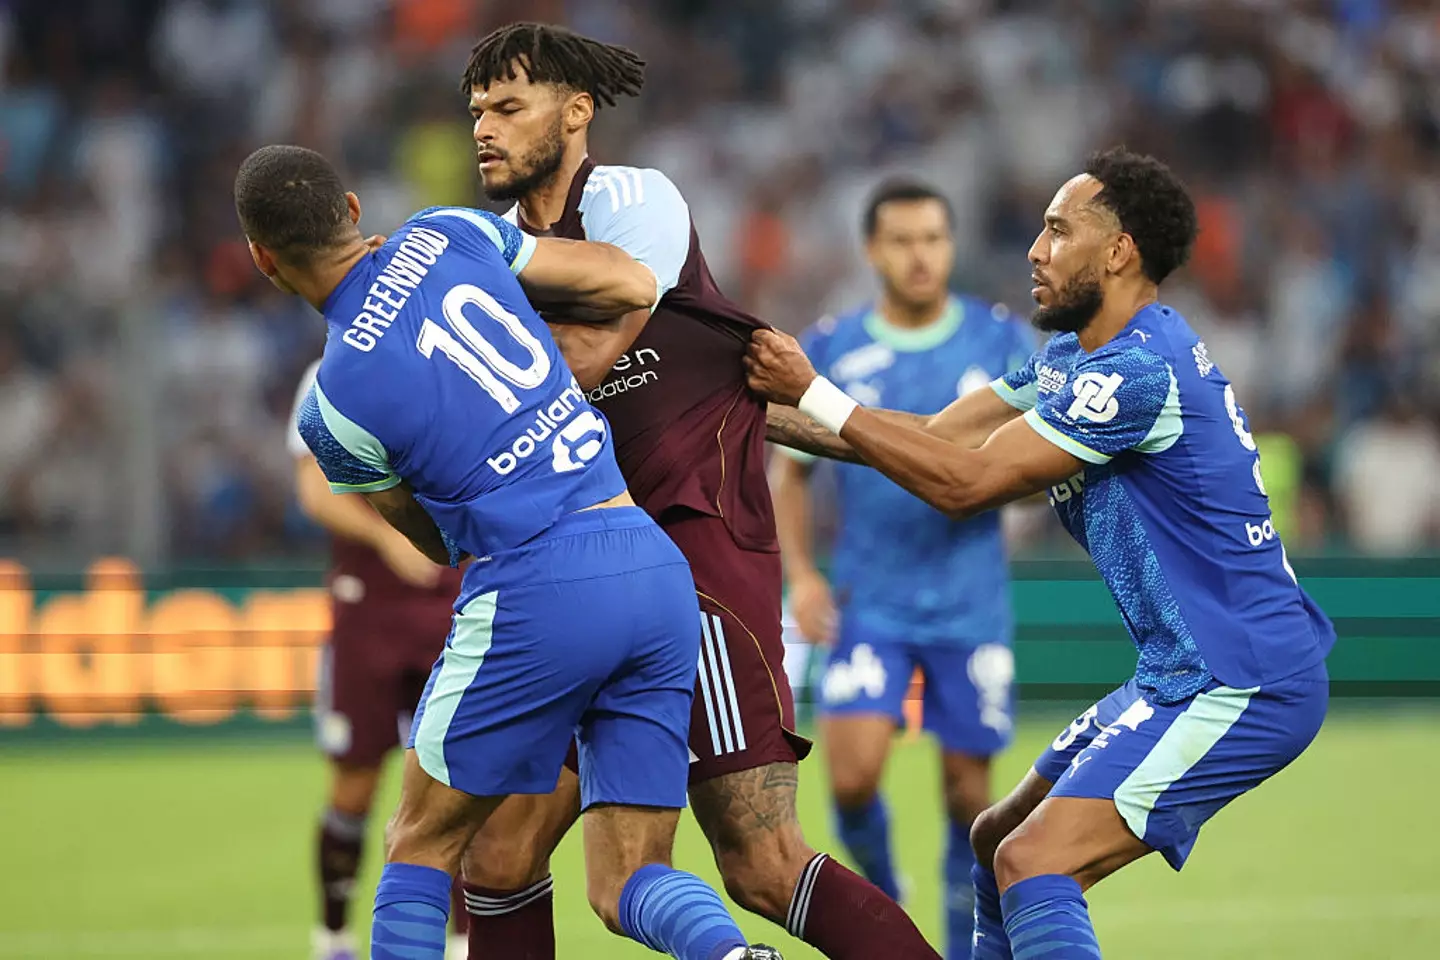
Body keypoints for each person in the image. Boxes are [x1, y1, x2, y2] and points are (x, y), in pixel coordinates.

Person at [745, 147, 1333, 958]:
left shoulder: (1136, 373)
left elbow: (967, 481)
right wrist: (748, 415)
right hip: (1179, 670)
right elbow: (931, 434)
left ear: (1120, 250)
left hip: (1241, 676)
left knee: (1035, 860)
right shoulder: (1074, 358)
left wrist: (812, 389)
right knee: (997, 840)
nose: (1035, 249)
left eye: (1059, 230)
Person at [454, 22, 940, 960]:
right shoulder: (495, 249)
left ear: (577, 111)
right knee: (500, 852)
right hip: (573, 571)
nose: (485, 127)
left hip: (695, 549)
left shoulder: (636, 200)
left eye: (509, 107)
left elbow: (591, 356)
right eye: (477, 110)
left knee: (760, 860)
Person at [235, 143, 783, 960]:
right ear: (352, 209)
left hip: (537, 582)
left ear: (261, 259)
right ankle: (730, 954)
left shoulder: (331, 407)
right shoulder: (449, 231)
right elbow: (633, 282)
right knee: (629, 875)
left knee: (418, 839)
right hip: (650, 560)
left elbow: (425, 535)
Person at [771, 179, 1032, 960]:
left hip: (970, 600)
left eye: (934, 239)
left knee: (970, 798)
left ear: (951, 246)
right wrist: (803, 576)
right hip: (870, 597)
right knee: (850, 778)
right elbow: (789, 471)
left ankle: (960, 946)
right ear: (872, 250)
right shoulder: (833, 347)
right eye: (903, 241)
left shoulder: (1001, 341)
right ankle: (886, 895)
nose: (921, 256)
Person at [288, 358, 469, 960]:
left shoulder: (451, 356)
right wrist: (389, 537)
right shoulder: (328, 373)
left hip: (454, 599)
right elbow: (313, 487)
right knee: (354, 782)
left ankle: (468, 939)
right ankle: (332, 937)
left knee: (462, 779)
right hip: (366, 607)